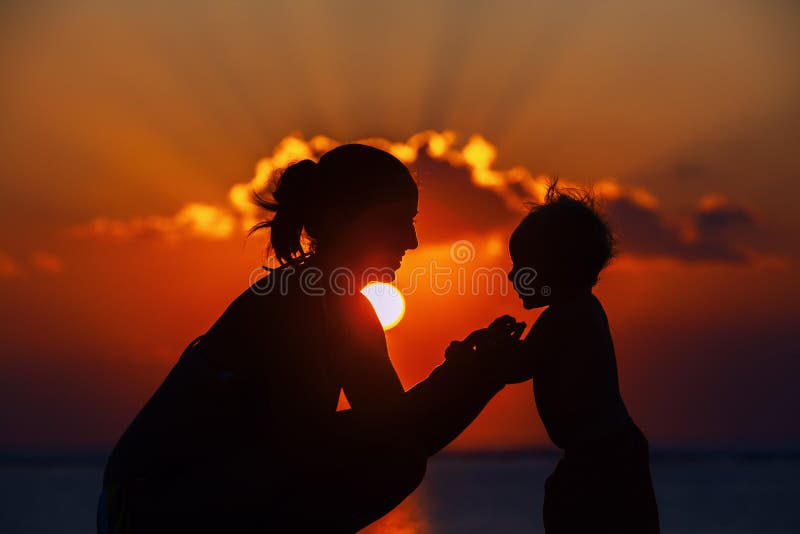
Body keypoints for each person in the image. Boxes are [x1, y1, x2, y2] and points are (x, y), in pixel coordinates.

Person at [98, 144, 529, 533]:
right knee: (392, 460)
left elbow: (400, 433)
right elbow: (310, 443)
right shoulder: (296, 303)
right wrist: (452, 380)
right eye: (394, 222)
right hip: (147, 508)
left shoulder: (347, 307)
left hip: (205, 497)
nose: (412, 241)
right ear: (338, 220)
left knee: (399, 460)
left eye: (411, 222)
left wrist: (479, 377)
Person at [503, 180, 660, 533]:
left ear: (555, 268)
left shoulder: (564, 317)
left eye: (523, 267)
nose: (513, 276)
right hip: (614, 448)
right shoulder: (584, 310)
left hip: (600, 455)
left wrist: (483, 354)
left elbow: (517, 367)